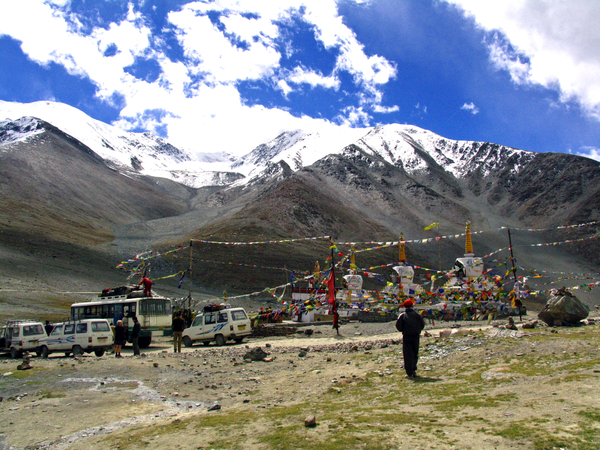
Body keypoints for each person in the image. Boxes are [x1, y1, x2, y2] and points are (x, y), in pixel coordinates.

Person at [395, 299, 425, 378]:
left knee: (408, 354)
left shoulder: (403, 315)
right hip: (416, 336)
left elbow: (399, 326)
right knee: (415, 353)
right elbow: (422, 324)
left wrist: (404, 330)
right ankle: (414, 370)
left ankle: (409, 373)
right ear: (412, 306)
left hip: (407, 336)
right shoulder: (417, 315)